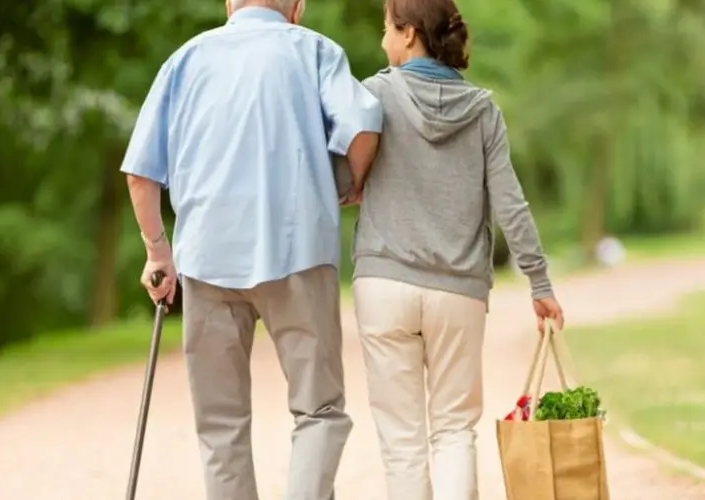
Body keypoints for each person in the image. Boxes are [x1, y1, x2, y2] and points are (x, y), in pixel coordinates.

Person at [120, 0, 382, 498]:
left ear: (228, 2)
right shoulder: (316, 52)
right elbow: (364, 124)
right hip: (298, 251)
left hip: (206, 262)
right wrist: (351, 183)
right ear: (297, 6)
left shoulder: (185, 60)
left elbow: (140, 174)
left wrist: (158, 252)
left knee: (220, 425)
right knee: (319, 410)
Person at [350, 0, 564, 498]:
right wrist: (539, 282)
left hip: (384, 284)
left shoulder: (373, 95)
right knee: (453, 430)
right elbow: (511, 205)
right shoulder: (483, 109)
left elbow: (343, 175)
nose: (383, 39)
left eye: (386, 28)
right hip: (458, 292)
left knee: (402, 441)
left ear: (408, 34)